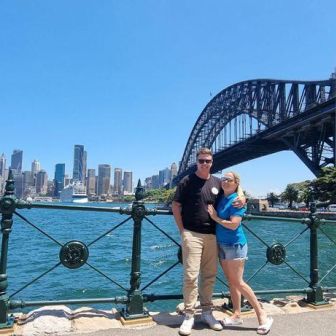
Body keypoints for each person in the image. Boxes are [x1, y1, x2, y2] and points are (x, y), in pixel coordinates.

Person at [172, 148, 243, 336]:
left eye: (208, 161)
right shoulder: (186, 181)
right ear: (197, 161)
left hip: (213, 235)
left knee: (210, 275)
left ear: (212, 163)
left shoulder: (218, 182)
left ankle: (206, 312)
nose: (205, 164)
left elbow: (233, 190)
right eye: (202, 160)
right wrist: (183, 231)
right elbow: (176, 205)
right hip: (192, 234)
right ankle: (188, 315)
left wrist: (243, 198)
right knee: (191, 275)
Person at [208, 171, 273, 335]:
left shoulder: (237, 201)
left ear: (236, 183)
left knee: (238, 282)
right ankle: (237, 314)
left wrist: (215, 217)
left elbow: (233, 225)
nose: (225, 182)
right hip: (222, 244)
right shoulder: (222, 196)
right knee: (231, 282)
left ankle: (262, 314)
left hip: (235, 244)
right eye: (223, 179)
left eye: (229, 180)